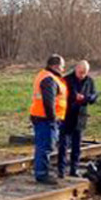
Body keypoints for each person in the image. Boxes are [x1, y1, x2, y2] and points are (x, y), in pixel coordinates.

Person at [29, 55, 67, 184]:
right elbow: (48, 102)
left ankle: (42, 171)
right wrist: (53, 119)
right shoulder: (49, 79)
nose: (63, 69)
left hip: (41, 117)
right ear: (55, 66)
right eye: (62, 66)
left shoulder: (46, 75)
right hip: (45, 119)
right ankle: (41, 174)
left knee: (44, 146)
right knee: (45, 146)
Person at [58, 60, 99, 178]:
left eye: (84, 73)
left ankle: (74, 169)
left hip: (81, 116)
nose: (82, 75)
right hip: (67, 115)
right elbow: (61, 96)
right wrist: (74, 97)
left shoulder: (90, 81)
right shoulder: (66, 80)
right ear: (76, 69)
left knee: (77, 145)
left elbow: (93, 95)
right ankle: (61, 170)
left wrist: (88, 98)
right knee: (63, 145)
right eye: (80, 72)